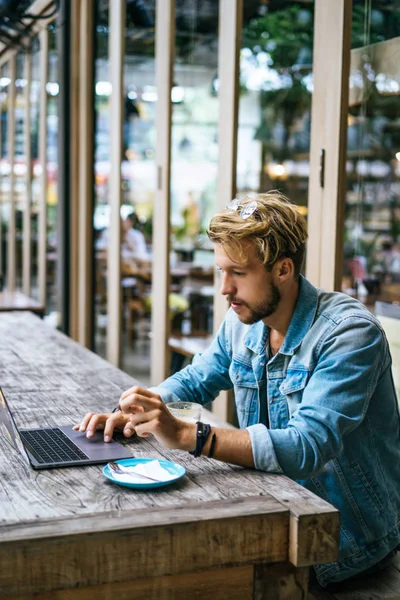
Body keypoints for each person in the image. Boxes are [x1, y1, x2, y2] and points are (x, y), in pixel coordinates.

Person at [75, 191, 400, 587]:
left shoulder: (349, 333)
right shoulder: (243, 321)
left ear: (283, 269)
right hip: (271, 513)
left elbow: (308, 445)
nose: (225, 289)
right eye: (220, 271)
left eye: (239, 273)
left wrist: (187, 435)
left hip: (344, 546)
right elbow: (197, 378)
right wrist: (139, 409)